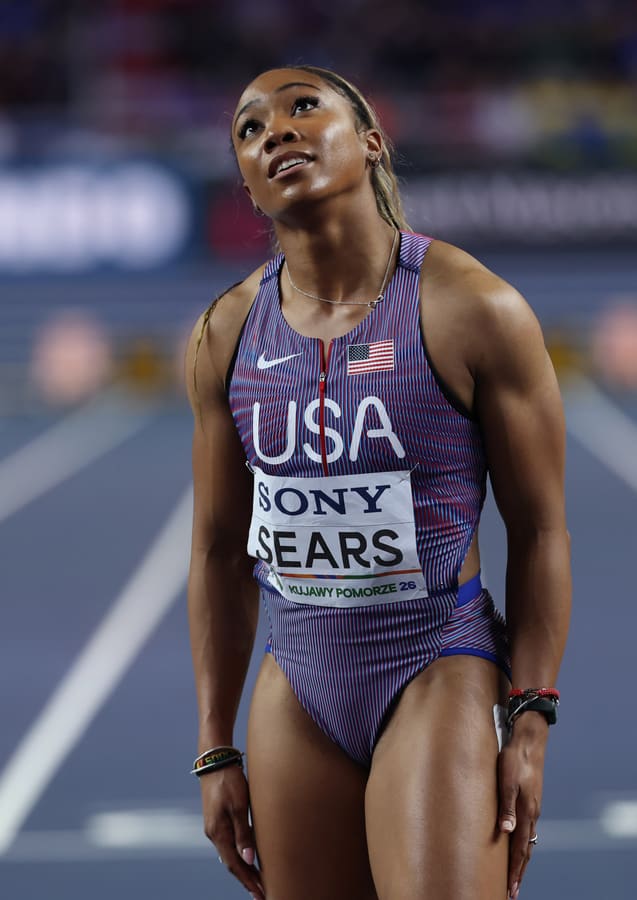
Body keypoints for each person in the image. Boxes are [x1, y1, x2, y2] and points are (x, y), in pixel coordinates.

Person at [185, 65, 571, 900]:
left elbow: (540, 529)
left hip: (435, 662)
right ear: (247, 184)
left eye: (303, 107)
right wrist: (215, 748)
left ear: (370, 142)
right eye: (250, 129)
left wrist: (530, 718)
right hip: (298, 682)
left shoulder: (472, 308)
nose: (276, 131)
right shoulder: (227, 332)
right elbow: (217, 551)